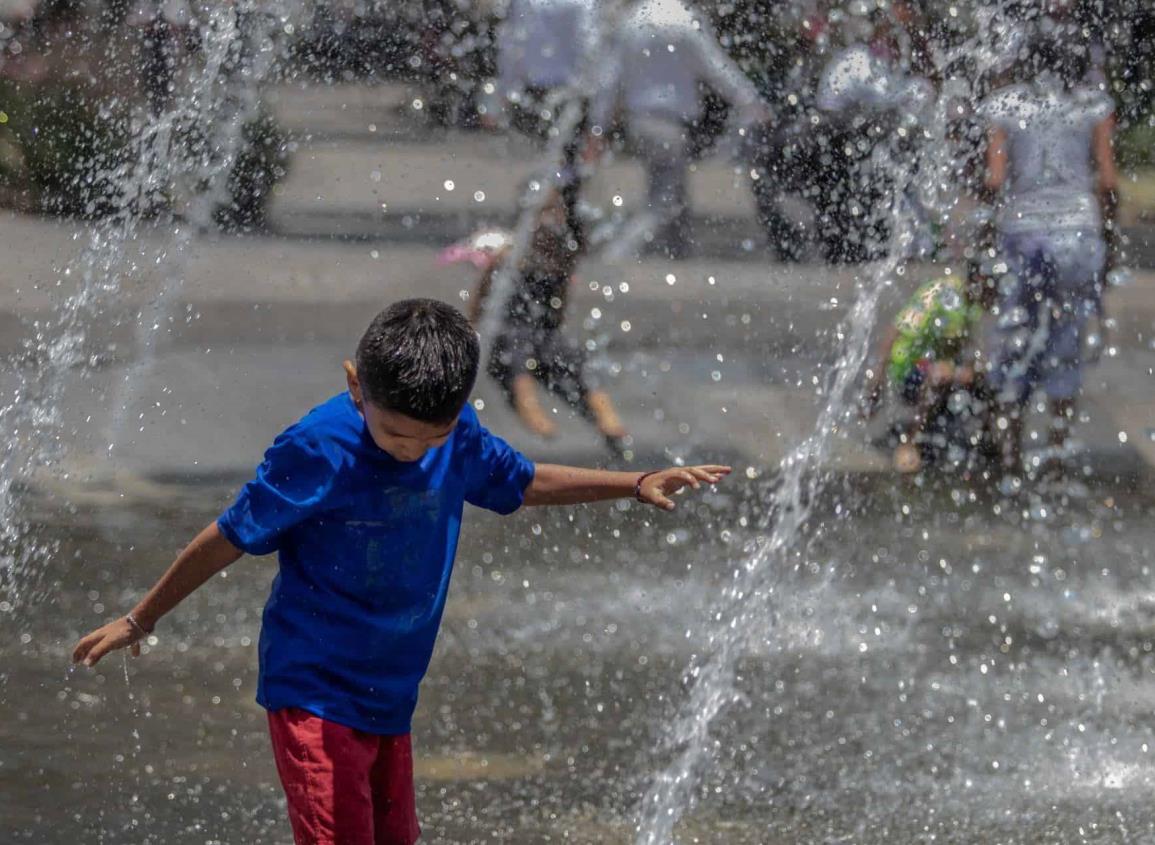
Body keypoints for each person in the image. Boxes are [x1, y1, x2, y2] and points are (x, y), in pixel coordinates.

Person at [71, 299, 728, 845]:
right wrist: (141, 617)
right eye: (393, 435)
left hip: (390, 693)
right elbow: (229, 535)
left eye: (429, 438)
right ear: (356, 384)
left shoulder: (457, 435)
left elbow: (525, 481)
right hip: (316, 690)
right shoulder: (318, 446)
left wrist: (634, 481)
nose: (411, 451)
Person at [979, 25, 1118, 480]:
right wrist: (1110, 244)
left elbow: (994, 183)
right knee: (1067, 341)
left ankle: (1011, 456)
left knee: (1016, 338)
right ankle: (1057, 457)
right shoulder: (1092, 106)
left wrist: (979, 252)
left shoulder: (1005, 106)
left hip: (1024, 232)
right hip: (1079, 234)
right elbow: (1109, 183)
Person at [589, 0, 766, 259]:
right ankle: (618, 253)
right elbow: (717, 68)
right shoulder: (683, 20)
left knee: (672, 195)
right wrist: (751, 102)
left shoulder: (633, 21)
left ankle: (678, 256)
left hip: (639, 121)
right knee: (663, 202)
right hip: (669, 125)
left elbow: (610, 79)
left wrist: (597, 126)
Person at [468, 186, 628, 453]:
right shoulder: (511, 255)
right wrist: (473, 324)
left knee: (574, 358)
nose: (552, 221)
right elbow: (483, 291)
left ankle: (605, 414)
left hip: (542, 332)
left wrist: (556, 324)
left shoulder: (559, 260)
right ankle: (529, 408)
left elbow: (560, 300)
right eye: (546, 213)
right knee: (518, 354)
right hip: (509, 331)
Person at [864, 263, 996, 475]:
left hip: (938, 364)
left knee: (987, 375)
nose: (996, 298)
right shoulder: (941, 295)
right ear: (980, 282)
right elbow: (896, 329)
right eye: (993, 290)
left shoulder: (973, 305)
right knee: (940, 374)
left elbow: (974, 351)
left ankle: (990, 448)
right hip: (909, 366)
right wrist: (876, 383)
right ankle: (911, 444)